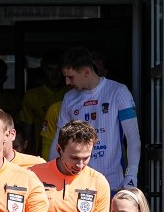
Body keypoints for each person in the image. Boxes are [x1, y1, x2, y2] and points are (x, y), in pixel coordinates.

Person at [53, 47, 141, 192]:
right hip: (78, 183)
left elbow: (132, 137)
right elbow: (59, 139)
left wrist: (132, 174)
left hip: (113, 182)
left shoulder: (118, 91)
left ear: (86, 72)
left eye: (71, 77)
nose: (67, 82)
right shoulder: (69, 98)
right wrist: (52, 174)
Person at [18, 48, 67, 155]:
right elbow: (27, 131)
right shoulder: (32, 96)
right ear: (43, 69)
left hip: (69, 149)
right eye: (50, 69)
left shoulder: (72, 94)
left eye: (58, 69)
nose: (54, 74)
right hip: (41, 150)